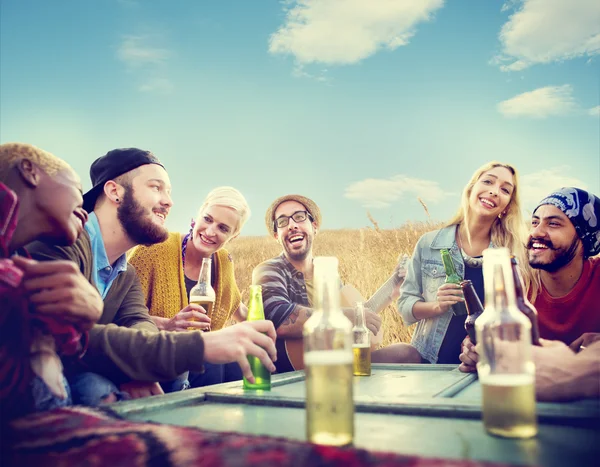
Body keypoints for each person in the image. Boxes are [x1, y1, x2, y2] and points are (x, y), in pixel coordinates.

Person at [27, 148, 277, 404]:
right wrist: (200, 346)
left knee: (178, 373)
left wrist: (141, 365)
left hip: (92, 362)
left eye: (168, 192)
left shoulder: (125, 274)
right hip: (38, 374)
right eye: (156, 187)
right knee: (93, 388)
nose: (169, 201)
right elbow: (66, 334)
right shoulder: (60, 243)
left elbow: (139, 321)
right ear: (114, 191)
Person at [252, 194, 420, 373]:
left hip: (338, 360)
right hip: (298, 371)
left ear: (314, 226)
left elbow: (355, 316)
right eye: (283, 222)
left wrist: (392, 287)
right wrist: (350, 316)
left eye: (299, 217)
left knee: (406, 354)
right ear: (276, 235)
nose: (292, 225)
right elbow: (281, 318)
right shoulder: (269, 270)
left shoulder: (327, 273)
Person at [0, 142, 103, 420]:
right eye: (78, 192)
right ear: (30, 171)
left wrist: (81, 318)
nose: (85, 212)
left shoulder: (21, 257)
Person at [398, 161, 530, 364]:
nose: (494, 191)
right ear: (471, 188)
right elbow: (405, 305)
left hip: (481, 365)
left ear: (507, 206)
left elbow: (516, 316)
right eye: (488, 181)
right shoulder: (429, 243)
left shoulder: (511, 254)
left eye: (505, 190)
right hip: (428, 362)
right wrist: (436, 306)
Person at [459, 187, 600, 373]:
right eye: (534, 222)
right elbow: (487, 335)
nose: (536, 232)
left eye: (554, 224)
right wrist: (474, 350)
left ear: (584, 238)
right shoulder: (513, 282)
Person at [128, 186, 251, 387]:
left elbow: (237, 307)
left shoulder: (223, 262)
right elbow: (120, 317)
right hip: (155, 353)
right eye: (208, 219)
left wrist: (272, 330)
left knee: (239, 361)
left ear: (233, 236)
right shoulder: (153, 250)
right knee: (208, 360)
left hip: (200, 357)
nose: (210, 232)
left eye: (223, 228)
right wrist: (167, 324)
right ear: (198, 215)